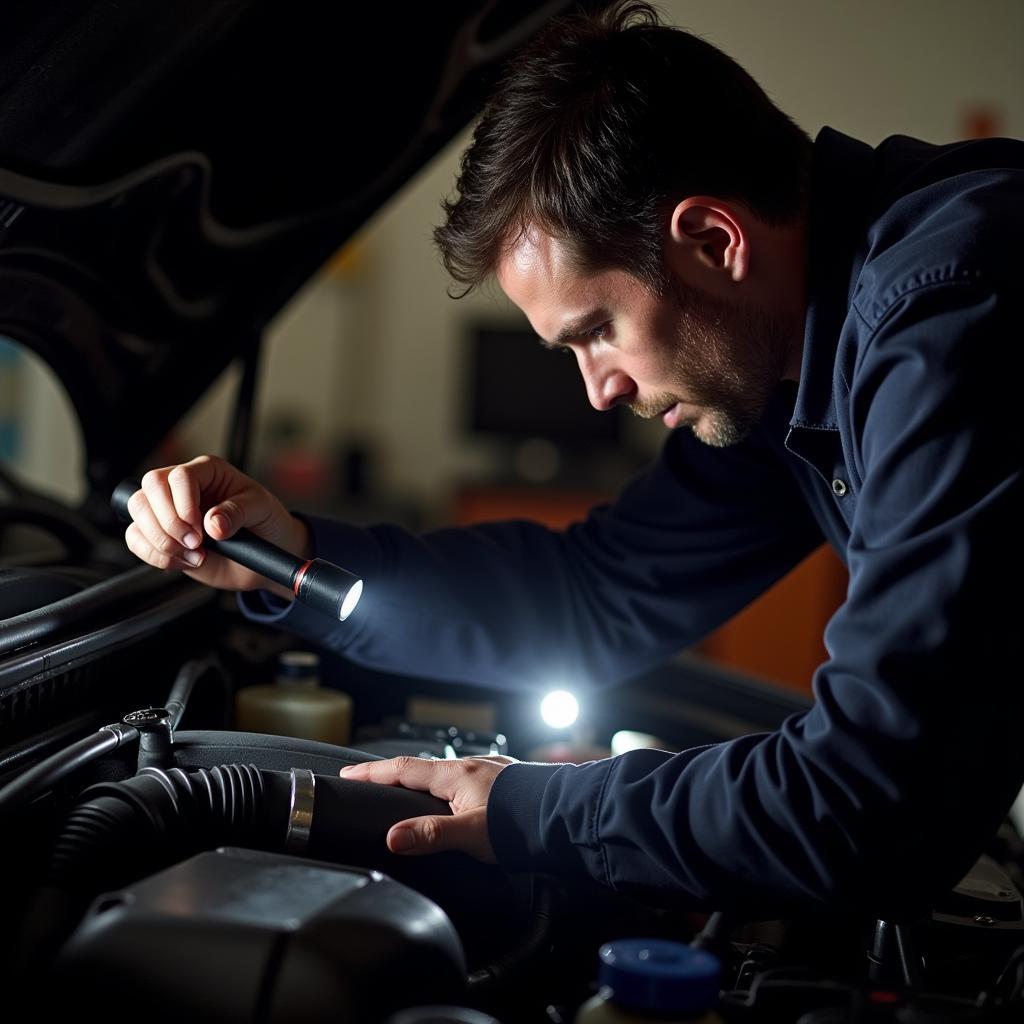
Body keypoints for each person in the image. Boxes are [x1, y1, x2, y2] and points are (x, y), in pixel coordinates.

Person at [123, 2, 1024, 916]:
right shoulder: (783, 361)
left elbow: (866, 800)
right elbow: (598, 591)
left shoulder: (958, 314)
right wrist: (296, 557)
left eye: (598, 332)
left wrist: (534, 808)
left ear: (714, 241)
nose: (599, 392)